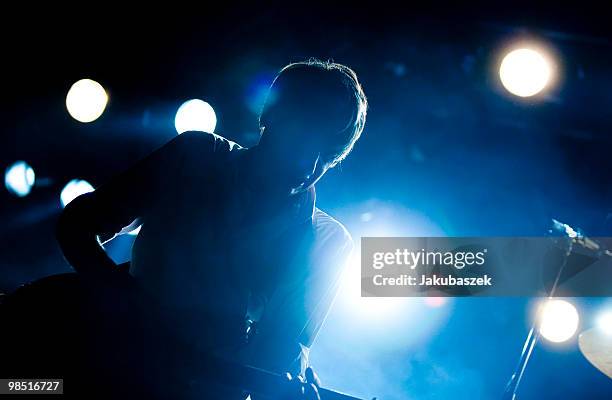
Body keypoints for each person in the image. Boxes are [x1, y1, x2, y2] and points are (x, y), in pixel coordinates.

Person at [56, 59, 367, 399]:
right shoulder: (196, 157)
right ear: (270, 116)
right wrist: (128, 304)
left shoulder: (327, 242)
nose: (309, 164)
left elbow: (277, 357)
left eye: (328, 153)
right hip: (103, 372)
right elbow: (77, 225)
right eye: (304, 135)